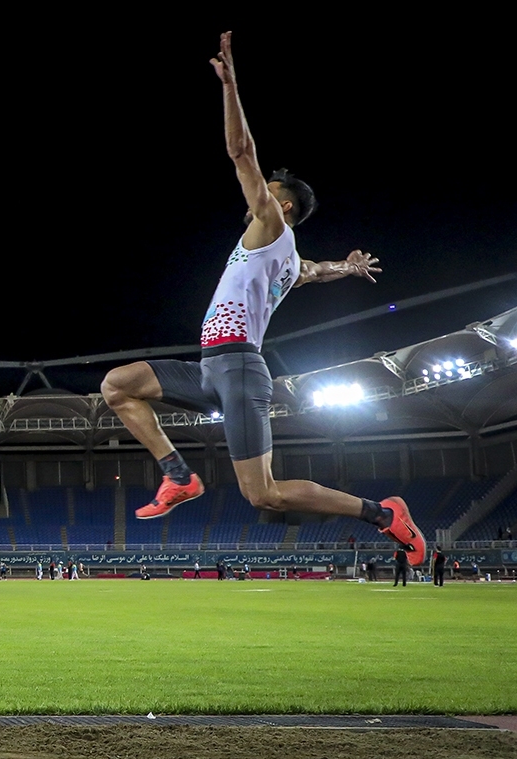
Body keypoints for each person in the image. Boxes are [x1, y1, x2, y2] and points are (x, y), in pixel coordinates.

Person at [99, 31, 426, 569]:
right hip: (212, 369)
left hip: (240, 370)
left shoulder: (271, 226)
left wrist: (230, 86)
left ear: (286, 207)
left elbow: (240, 151)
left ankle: (383, 513)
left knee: (263, 495)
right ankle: (179, 476)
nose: (259, 193)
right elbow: (315, 272)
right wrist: (349, 267)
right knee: (118, 386)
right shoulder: (285, 258)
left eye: (271, 190)